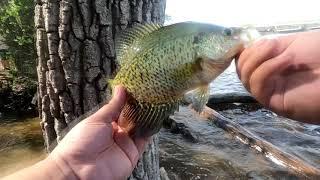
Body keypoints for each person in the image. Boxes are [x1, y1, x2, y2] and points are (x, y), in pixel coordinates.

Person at [3, 30, 320, 180]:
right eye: (226, 34)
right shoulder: (201, 62)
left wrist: (65, 170)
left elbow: (196, 87)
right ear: (202, 46)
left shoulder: (205, 65)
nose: (233, 38)